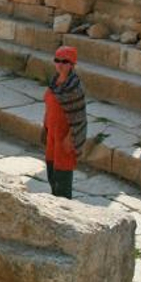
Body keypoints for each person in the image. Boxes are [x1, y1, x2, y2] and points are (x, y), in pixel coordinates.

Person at [41, 45, 87, 199]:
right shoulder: (54, 81)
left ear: (72, 64)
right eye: (57, 60)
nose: (60, 65)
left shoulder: (75, 88)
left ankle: (64, 206)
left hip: (64, 138)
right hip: (52, 134)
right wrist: (45, 125)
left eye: (65, 61)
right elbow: (49, 106)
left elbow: (79, 117)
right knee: (51, 170)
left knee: (63, 176)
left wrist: (71, 138)